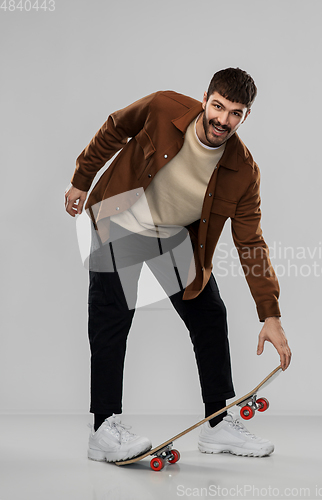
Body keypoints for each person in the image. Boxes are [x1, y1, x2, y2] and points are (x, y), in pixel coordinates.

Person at [65, 68, 292, 463]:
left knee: (209, 315)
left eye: (235, 113)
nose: (223, 120)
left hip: (172, 236)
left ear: (246, 116)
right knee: (112, 316)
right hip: (119, 219)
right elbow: (114, 129)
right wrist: (82, 179)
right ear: (205, 98)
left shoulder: (243, 172)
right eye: (218, 107)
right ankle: (103, 428)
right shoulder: (161, 107)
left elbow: (250, 242)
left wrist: (269, 314)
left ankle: (218, 423)